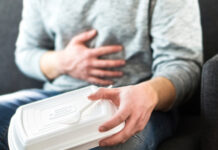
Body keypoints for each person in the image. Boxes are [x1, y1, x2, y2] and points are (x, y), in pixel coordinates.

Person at [0, 0, 202, 150]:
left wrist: (149, 93)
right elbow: (26, 52)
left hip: (136, 102)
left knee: (108, 142)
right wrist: (63, 61)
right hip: (56, 98)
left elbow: (183, 65)